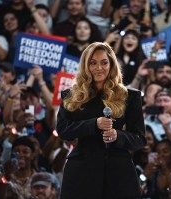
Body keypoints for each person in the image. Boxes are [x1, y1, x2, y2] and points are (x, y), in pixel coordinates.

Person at [56, 42, 146, 198]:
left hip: (119, 171)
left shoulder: (130, 96)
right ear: (85, 65)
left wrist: (118, 135)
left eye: (104, 62)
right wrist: (94, 124)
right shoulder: (71, 95)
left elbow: (139, 139)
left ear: (111, 65)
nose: (99, 68)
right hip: (81, 170)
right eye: (93, 63)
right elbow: (64, 130)